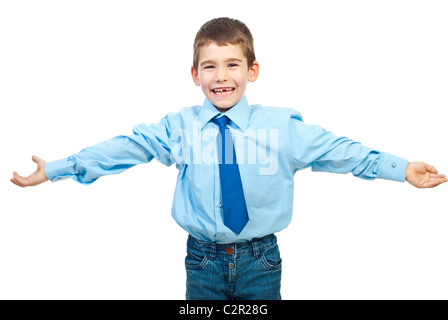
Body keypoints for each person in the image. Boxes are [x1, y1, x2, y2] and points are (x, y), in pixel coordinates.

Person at [10, 17, 447, 300]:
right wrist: (57, 169)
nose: (222, 76)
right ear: (195, 74)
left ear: (252, 71)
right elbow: (124, 147)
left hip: (262, 260)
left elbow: (341, 151)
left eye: (233, 64)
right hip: (201, 260)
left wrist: (401, 168)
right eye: (211, 66)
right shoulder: (178, 128)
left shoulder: (282, 127)